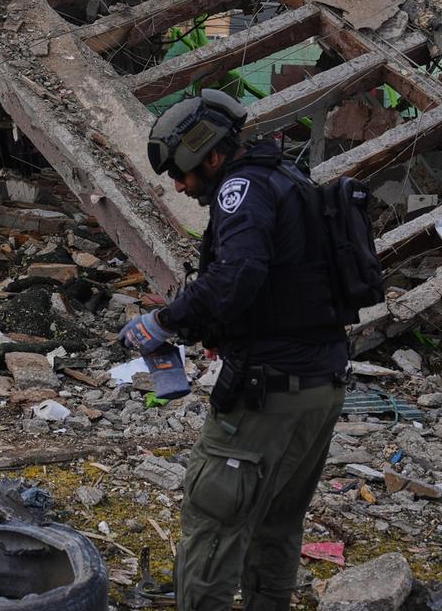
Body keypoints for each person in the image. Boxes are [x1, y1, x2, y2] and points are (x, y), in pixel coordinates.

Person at [121, 88, 348, 611]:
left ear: (215, 156)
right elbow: (278, 284)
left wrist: (165, 321)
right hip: (321, 386)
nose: (179, 185)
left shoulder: (240, 189)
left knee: (213, 522)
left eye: (183, 173)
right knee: (276, 524)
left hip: (267, 394)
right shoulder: (290, 178)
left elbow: (238, 274)